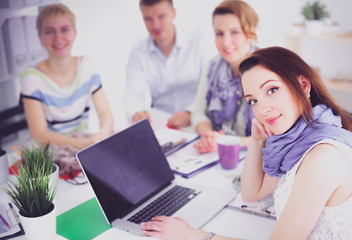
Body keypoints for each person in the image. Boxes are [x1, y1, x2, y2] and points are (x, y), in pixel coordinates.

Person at [140, 47, 352, 239]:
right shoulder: (297, 141)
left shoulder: (322, 157)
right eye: (253, 100)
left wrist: (192, 235)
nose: (263, 109)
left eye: (272, 90)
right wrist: (257, 142)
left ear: (303, 84)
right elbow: (251, 193)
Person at [20, 4, 114, 175]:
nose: (58, 38)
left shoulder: (87, 66)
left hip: (83, 144)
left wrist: (103, 136)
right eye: (49, 31)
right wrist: (84, 145)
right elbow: (40, 134)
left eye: (64, 29)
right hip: (50, 155)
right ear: (40, 38)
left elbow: (105, 113)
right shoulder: (31, 78)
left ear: (74, 34)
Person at [124, 0, 212, 128]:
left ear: (173, 14)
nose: (155, 25)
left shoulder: (199, 41)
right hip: (161, 122)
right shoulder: (138, 52)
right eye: (148, 18)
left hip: (198, 119)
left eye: (161, 16)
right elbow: (133, 94)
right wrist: (136, 113)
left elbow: (211, 88)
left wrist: (190, 112)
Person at [191, 0, 258, 154]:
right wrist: (208, 135)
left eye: (235, 32)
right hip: (217, 153)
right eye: (219, 33)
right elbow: (198, 112)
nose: (226, 42)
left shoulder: (268, 69)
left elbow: (276, 132)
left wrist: (228, 143)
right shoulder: (212, 65)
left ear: (251, 32)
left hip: (255, 156)